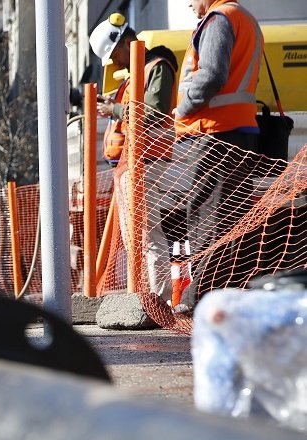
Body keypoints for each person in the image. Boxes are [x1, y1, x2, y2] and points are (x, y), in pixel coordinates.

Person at [171, 0, 263, 310]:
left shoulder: (220, 19)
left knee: (206, 217)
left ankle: (203, 295)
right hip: (236, 131)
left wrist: (181, 110)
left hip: (215, 133)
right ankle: (227, 293)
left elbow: (211, 75)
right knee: (231, 217)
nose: (188, 3)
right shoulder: (243, 18)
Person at [90, 13, 179, 301]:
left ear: (127, 41)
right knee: (135, 239)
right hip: (134, 163)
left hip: (148, 162)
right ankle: (147, 297)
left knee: (147, 236)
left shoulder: (156, 67)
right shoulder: (136, 76)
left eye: (115, 55)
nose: (115, 63)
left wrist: (114, 111)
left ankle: (159, 300)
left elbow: (154, 114)